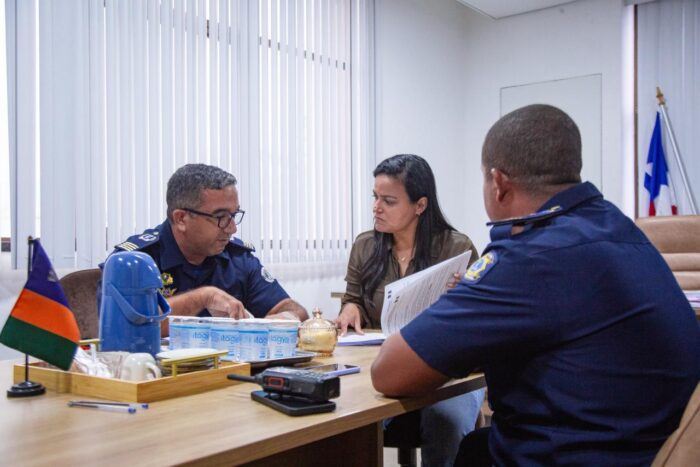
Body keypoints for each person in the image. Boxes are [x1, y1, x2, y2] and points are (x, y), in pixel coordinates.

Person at [371, 105, 700, 466]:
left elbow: (388, 372)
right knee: (475, 448)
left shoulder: (532, 255)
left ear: (498, 183)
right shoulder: (621, 229)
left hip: (582, 456)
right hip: (648, 449)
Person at [337, 154, 486, 467]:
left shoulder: (456, 248)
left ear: (420, 205)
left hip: (446, 367)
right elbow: (353, 299)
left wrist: (464, 295)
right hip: (383, 364)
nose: (377, 208)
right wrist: (350, 308)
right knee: (341, 419)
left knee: (446, 423)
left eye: (389, 201)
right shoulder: (365, 246)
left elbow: (478, 319)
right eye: (375, 197)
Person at [109, 164, 308, 332]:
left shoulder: (237, 258)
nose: (232, 228)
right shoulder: (134, 262)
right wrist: (204, 298)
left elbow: (295, 311)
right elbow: (127, 326)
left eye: (234, 215)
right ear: (181, 219)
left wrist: (280, 320)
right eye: (221, 217)